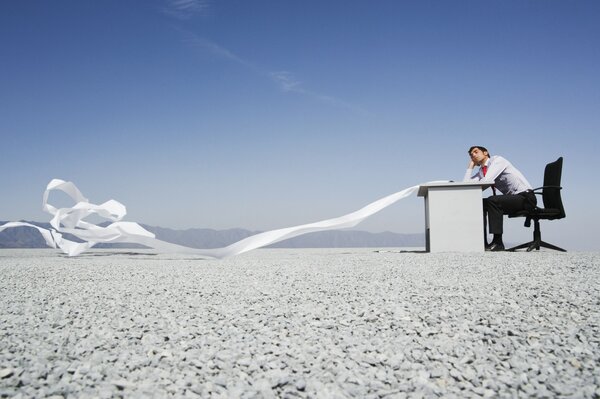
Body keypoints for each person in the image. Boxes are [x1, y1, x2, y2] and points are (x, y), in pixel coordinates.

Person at [463, 146, 537, 251]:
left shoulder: (497, 160)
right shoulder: (482, 171)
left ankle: (498, 242)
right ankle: (482, 242)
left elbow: (486, 180)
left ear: (485, 152)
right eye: (471, 155)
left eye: (476, 152)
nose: (473, 155)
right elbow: (466, 185)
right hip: (513, 199)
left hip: (525, 197)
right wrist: (470, 167)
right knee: (481, 203)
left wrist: (478, 177)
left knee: (493, 200)